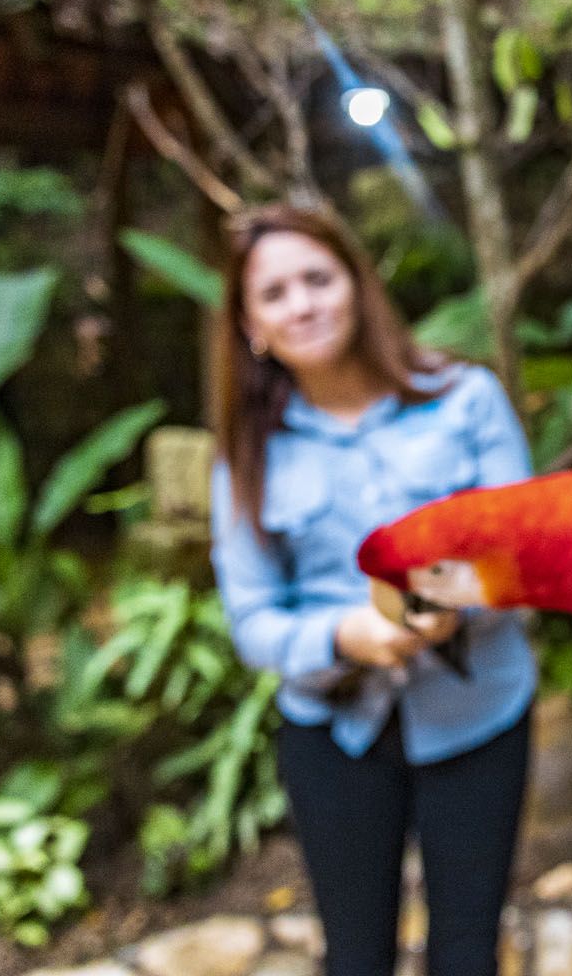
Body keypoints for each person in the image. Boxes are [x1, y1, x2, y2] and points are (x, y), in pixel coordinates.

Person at [209, 203, 535, 976]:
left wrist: (445, 606)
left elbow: (523, 556)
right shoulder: (248, 453)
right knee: (354, 958)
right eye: (275, 293)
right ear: (252, 325)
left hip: (479, 716)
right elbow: (252, 619)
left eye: (318, 278)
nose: (303, 305)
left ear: (356, 282)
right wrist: (345, 636)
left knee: (468, 955)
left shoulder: (465, 398)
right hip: (334, 734)